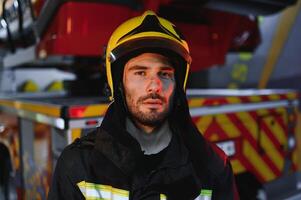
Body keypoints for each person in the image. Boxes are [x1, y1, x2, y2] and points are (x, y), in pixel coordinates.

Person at [48, 10, 239, 200]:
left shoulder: (213, 166)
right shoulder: (78, 166)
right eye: (140, 73)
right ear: (118, 84)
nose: (154, 86)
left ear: (178, 86)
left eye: (164, 74)